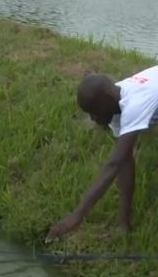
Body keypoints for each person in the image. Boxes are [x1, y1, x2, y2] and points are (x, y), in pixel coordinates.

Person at [46, 66, 158, 242]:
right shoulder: (114, 100)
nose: (92, 118)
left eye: (94, 111)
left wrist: (76, 216)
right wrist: (124, 222)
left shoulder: (135, 104)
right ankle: (124, 224)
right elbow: (124, 160)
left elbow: (113, 163)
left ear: (108, 100)